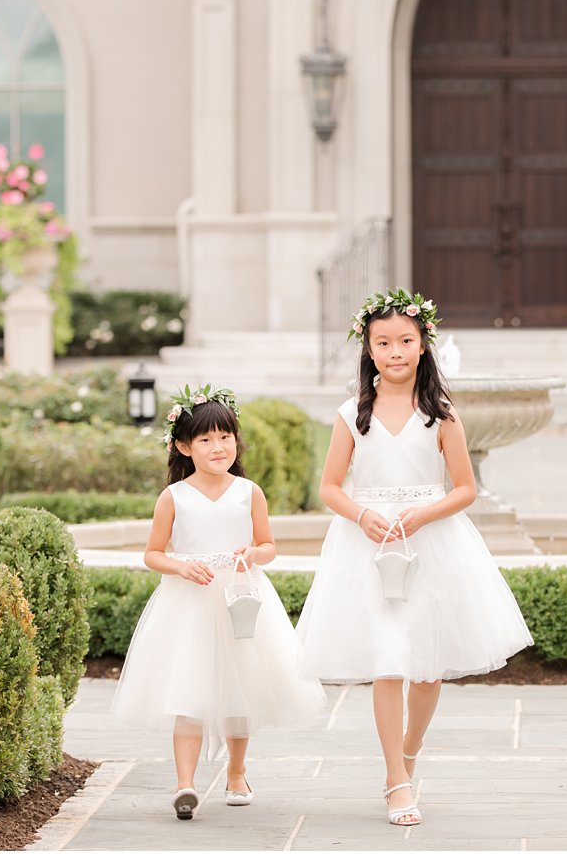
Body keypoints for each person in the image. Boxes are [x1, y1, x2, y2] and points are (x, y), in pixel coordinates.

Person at [296, 289, 533, 827]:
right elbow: (330, 486)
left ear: (424, 345)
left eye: (405, 340)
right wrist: (362, 515)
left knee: (426, 672)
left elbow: (466, 488)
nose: (395, 351)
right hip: (369, 546)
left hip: (431, 543)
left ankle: (408, 751)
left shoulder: (441, 414)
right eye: (383, 342)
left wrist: (424, 515)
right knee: (388, 664)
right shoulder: (350, 414)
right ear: (369, 349)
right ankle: (395, 781)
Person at [109, 384, 325, 821]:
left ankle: (237, 770)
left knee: (239, 689)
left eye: (225, 437)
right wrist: (180, 566)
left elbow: (267, 545)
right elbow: (153, 553)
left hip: (240, 597)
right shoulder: (174, 497)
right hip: (188, 603)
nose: (218, 447)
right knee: (187, 690)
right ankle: (185, 785)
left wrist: (252, 554)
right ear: (184, 446)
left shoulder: (249, 492)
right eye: (205, 439)